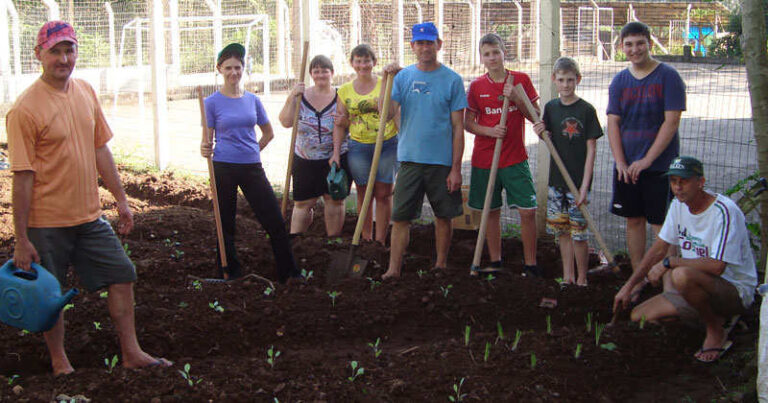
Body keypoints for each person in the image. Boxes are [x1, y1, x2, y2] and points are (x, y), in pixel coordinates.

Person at [6, 21, 171, 375]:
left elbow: (100, 150)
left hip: (89, 217)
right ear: (39, 55)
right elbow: (22, 177)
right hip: (45, 222)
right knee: (50, 294)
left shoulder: (85, 91)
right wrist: (21, 238)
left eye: (70, 50)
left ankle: (132, 353)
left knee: (122, 274)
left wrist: (122, 199)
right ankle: (59, 362)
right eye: (55, 51)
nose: (64, 59)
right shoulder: (25, 109)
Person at [613, 156, 757, 362]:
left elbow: (717, 266)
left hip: (733, 289)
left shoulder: (724, 212)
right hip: (696, 284)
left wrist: (670, 263)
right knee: (639, 315)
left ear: (701, 182)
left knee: (679, 274)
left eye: (684, 181)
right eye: (673, 181)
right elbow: (658, 248)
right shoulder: (678, 206)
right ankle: (714, 318)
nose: (678, 187)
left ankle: (716, 329)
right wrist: (629, 286)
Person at [201, 43, 300, 283]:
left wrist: (253, 149)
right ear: (219, 69)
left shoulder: (252, 100)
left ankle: (289, 272)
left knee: (274, 219)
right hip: (223, 167)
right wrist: (204, 148)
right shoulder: (211, 102)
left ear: (243, 69)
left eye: (237, 67)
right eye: (228, 68)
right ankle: (228, 271)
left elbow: (268, 133)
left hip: (251, 167)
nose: (233, 72)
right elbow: (207, 141)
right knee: (225, 222)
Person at [379, 22, 467, 279]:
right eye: (420, 43)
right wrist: (387, 80)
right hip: (409, 160)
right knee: (401, 217)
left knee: (444, 215)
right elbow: (385, 114)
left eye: (430, 42)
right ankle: (393, 269)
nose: (425, 47)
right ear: (413, 46)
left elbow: (458, 127)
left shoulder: (452, 80)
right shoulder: (403, 77)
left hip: (441, 162)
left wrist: (456, 168)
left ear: (439, 45)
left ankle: (440, 264)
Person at [606, 21, 686, 295]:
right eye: (629, 44)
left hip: (659, 168)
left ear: (649, 43)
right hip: (627, 167)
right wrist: (620, 161)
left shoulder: (668, 77)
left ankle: (669, 284)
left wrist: (647, 160)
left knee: (661, 225)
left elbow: (671, 122)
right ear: (621, 47)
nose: (635, 49)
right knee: (634, 220)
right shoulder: (619, 81)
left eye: (640, 43)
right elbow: (613, 123)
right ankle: (638, 279)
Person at [465, 33, 541, 277]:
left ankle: (530, 264)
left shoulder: (520, 80)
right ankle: (496, 261)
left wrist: (518, 98)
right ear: (481, 58)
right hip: (485, 158)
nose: (492, 57)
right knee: (490, 210)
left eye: (496, 52)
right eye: (487, 54)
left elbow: (536, 116)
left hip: (515, 158)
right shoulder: (477, 86)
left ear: (503, 53)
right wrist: (490, 130)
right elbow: (469, 123)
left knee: (528, 211)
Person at [533, 57, 603, 286]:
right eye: (561, 80)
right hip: (557, 182)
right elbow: (549, 139)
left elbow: (591, 149)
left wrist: (584, 186)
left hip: (578, 184)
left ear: (578, 80)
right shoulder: (551, 108)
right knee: (562, 232)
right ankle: (568, 276)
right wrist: (541, 132)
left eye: (570, 80)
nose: (566, 85)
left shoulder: (586, 110)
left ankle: (582, 278)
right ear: (554, 80)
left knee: (579, 233)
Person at [332, 44, 398, 244]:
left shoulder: (385, 84)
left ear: (374, 63)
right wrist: (335, 152)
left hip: (387, 143)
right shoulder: (343, 91)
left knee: (384, 193)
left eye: (366, 60)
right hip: (358, 146)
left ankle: (380, 241)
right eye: (358, 61)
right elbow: (339, 123)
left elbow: (394, 113)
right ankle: (366, 238)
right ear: (352, 63)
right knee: (363, 192)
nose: (363, 65)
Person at [278, 55, 351, 238]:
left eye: (324, 71)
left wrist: (335, 153)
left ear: (332, 73)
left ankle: (332, 241)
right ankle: (296, 241)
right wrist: (291, 96)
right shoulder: (301, 96)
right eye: (316, 71)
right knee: (303, 203)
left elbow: (344, 124)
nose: (320, 75)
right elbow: (286, 122)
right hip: (305, 158)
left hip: (334, 158)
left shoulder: (340, 96)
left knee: (334, 200)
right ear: (311, 74)